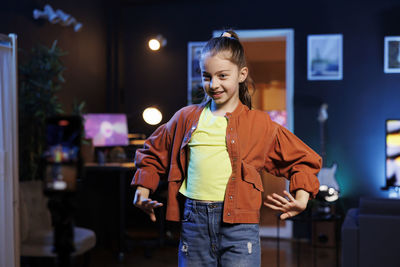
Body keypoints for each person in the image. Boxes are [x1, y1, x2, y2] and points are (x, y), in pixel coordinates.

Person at [132, 30, 322, 267]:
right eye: (206, 76)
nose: (213, 84)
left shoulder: (260, 124)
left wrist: (302, 197)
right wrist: (143, 189)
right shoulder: (185, 118)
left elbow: (303, 160)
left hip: (240, 227)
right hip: (194, 223)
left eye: (222, 75)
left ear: (242, 74)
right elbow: (153, 152)